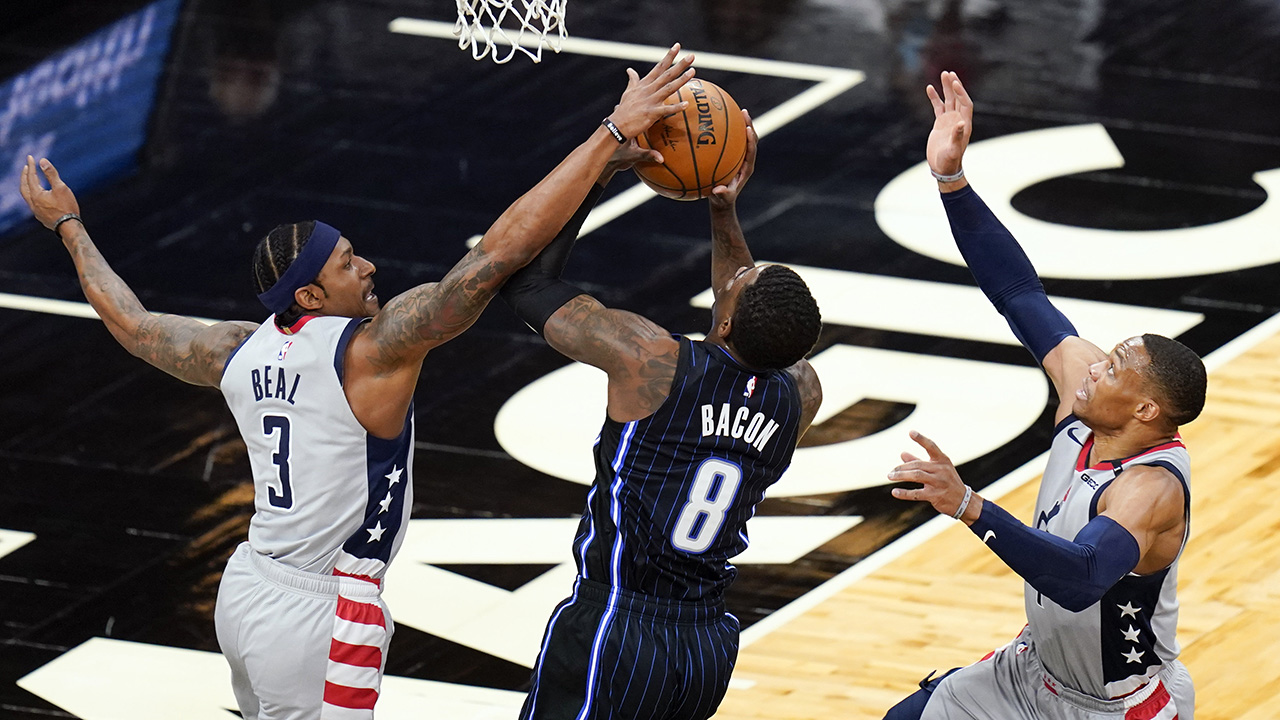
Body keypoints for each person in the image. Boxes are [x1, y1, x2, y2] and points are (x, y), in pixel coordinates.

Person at [16, 45, 696, 720]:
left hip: (249, 586)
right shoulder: (373, 352)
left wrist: (69, 226)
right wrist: (605, 137)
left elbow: (132, 324)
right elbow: (497, 254)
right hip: (324, 610)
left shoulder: (235, 349)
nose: (367, 265)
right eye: (347, 264)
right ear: (310, 296)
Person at [883, 72, 1206, 720]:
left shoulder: (1149, 490)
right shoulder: (1084, 395)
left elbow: (1083, 579)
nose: (1090, 368)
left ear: (1146, 411)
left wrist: (970, 506)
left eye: (1113, 368)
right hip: (1031, 671)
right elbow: (1019, 293)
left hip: (1115, 708)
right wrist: (951, 179)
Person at [500, 110, 824, 720]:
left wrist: (599, 169)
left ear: (725, 319)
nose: (734, 276)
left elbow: (528, 282)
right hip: (704, 643)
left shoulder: (649, 361)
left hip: (619, 625)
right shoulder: (799, 394)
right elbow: (749, 322)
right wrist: (723, 210)